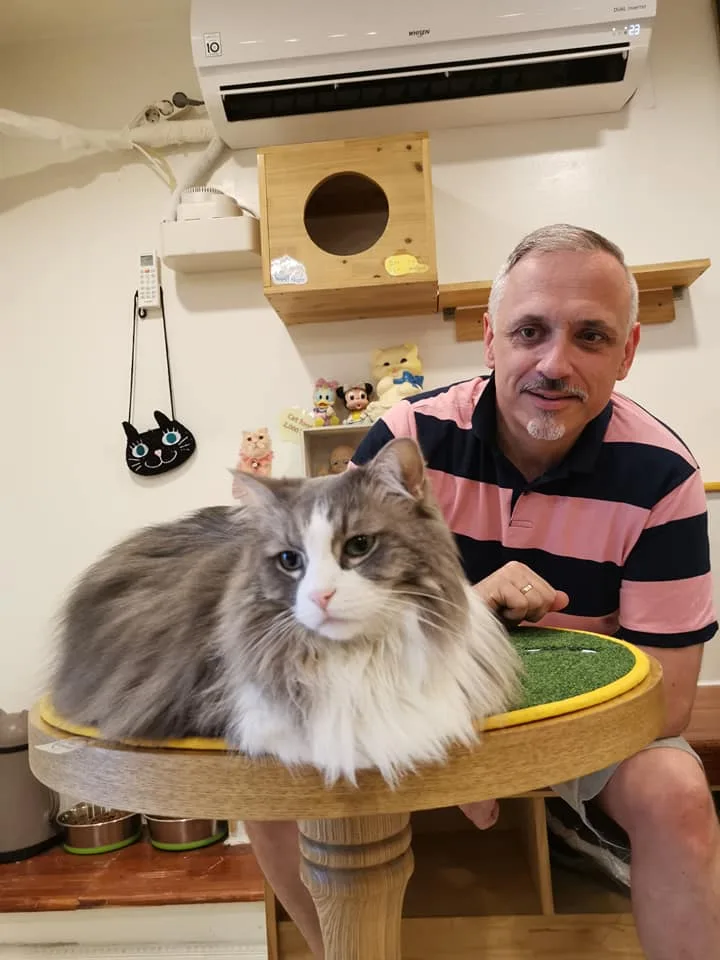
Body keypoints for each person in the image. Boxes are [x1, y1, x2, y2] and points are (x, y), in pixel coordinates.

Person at [245, 224, 720, 959]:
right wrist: (471, 626)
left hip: (579, 719)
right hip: (410, 697)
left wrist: (490, 743)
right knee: (268, 790)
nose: (554, 363)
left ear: (627, 353)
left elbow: (673, 698)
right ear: (490, 339)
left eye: (591, 336)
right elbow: (328, 622)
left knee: (678, 794)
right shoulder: (408, 433)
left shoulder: (664, 474)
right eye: (529, 331)